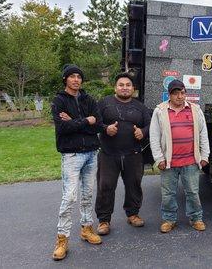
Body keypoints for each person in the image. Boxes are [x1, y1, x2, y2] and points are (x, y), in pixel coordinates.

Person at [50, 64, 102, 261]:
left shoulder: (89, 99)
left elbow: (97, 123)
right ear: (65, 79)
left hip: (91, 153)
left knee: (88, 194)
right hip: (71, 155)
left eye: (79, 76)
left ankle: (87, 229)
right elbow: (62, 128)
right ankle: (62, 239)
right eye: (72, 76)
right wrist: (85, 121)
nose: (76, 80)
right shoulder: (58, 101)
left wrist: (76, 122)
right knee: (70, 197)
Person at [94, 73, 152, 236]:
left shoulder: (140, 106)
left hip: (133, 154)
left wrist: (143, 132)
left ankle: (132, 214)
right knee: (105, 186)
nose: (125, 88)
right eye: (121, 85)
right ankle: (104, 220)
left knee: (134, 184)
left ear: (133, 89)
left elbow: (150, 125)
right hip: (108, 154)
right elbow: (95, 123)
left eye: (128, 85)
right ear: (115, 87)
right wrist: (106, 128)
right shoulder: (105, 103)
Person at [150, 79, 210, 233]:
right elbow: (154, 137)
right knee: (168, 194)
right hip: (169, 162)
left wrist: (205, 155)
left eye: (182, 93)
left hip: (191, 161)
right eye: (176, 93)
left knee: (192, 192)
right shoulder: (160, 111)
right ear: (169, 95)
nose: (179, 96)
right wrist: (159, 159)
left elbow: (203, 134)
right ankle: (169, 219)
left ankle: (196, 218)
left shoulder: (195, 110)